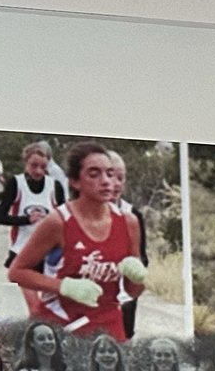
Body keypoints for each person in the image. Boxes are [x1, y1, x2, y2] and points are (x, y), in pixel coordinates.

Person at [9, 141, 144, 340]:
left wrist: (138, 277)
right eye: (94, 174)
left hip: (108, 328)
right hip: (62, 327)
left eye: (110, 173)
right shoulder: (58, 222)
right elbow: (17, 272)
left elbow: (133, 292)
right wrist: (64, 286)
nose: (106, 181)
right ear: (75, 181)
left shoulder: (129, 222)